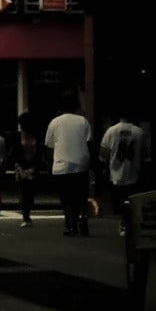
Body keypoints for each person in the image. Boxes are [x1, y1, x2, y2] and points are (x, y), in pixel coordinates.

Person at [45, 97, 95, 237]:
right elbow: (89, 143)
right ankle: (83, 218)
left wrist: (50, 169)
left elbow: (49, 148)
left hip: (61, 165)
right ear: (76, 107)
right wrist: (92, 164)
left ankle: (70, 224)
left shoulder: (54, 122)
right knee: (81, 195)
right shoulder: (83, 121)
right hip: (81, 163)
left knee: (66, 197)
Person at [99, 110, 147, 233]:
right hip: (133, 172)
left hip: (116, 173)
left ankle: (124, 223)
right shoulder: (139, 132)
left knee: (119, 202)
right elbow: (144, 154)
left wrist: (104, 167)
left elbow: (103, 154)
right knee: (132, 200)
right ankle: (129, 223)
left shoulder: (111, 131)